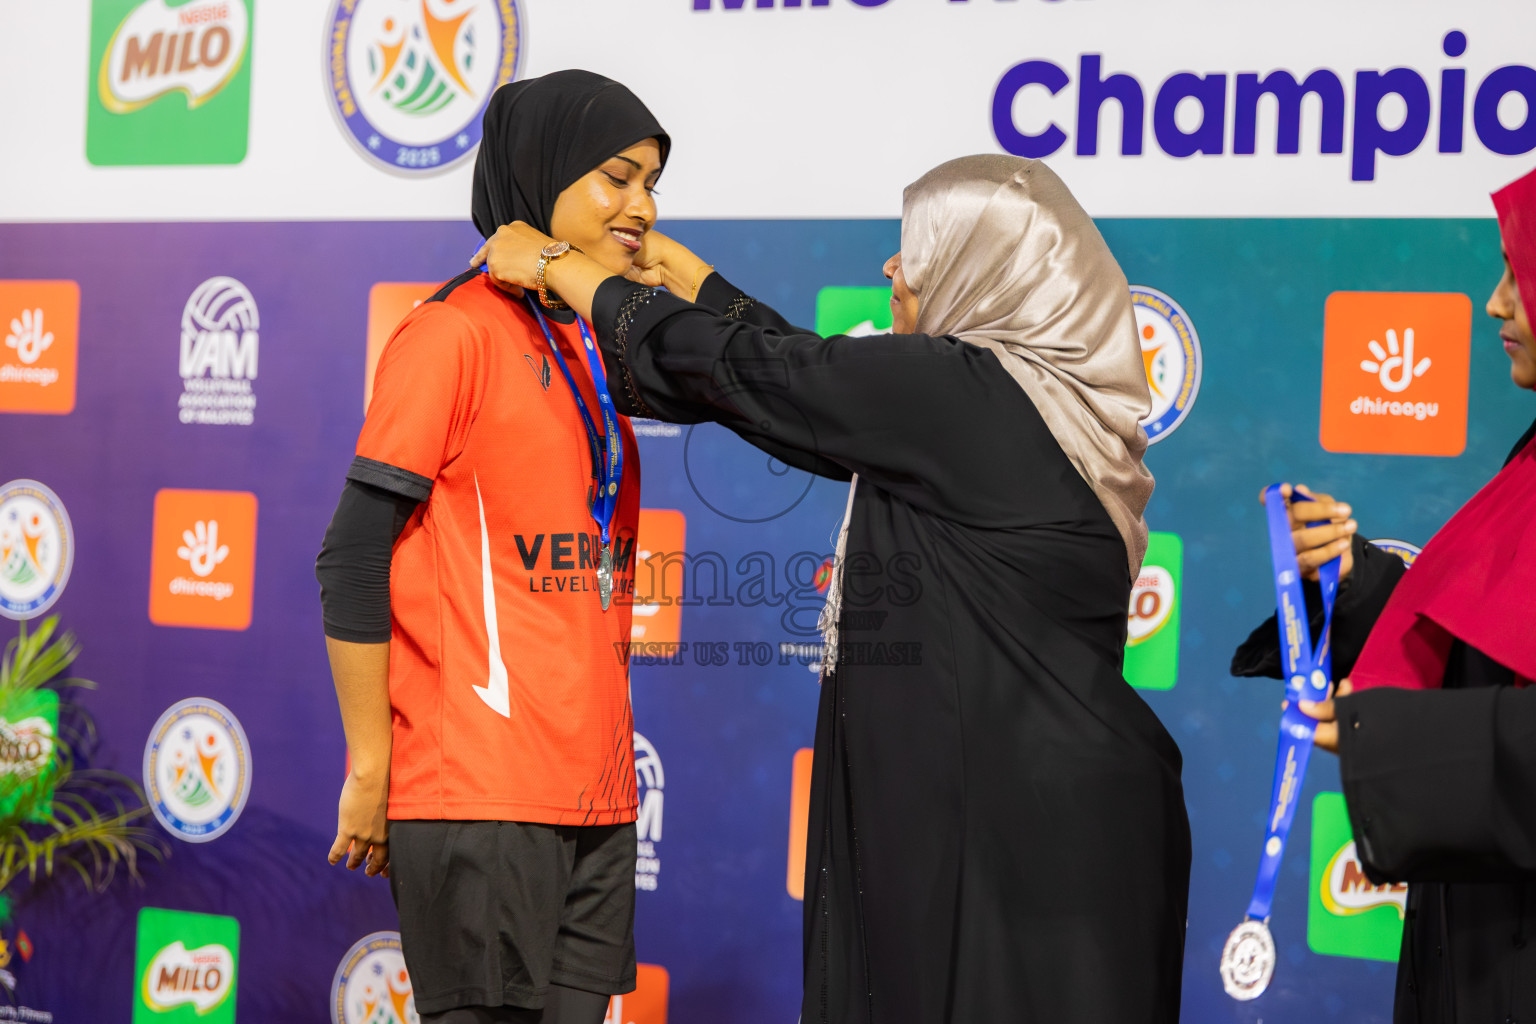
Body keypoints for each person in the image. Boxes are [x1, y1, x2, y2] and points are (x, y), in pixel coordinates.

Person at [475, 154, 1192, 1023]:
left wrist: (559, 268)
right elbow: (818, 402)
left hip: (1012, 841)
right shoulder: (1027, 403)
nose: (893, 269)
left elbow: (778, 382)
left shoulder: (970, 393)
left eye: (918, 251)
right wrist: (704, 287)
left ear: (985, 270)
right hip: (1043, 825)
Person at [314, 70, 669, 1024]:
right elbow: (351, 557)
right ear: (538, 174)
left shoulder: (593, 345)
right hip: (478, 787)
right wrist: (371, 765)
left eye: (653, 184)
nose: (640, 205)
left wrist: (633, 261)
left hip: (595, 792)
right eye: (617, 177)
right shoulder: (451, 334)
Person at [1232, 165, 1536, 1023]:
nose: (1494, 303)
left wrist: (1399, 742)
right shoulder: (1528, 463)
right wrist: (1355, 583)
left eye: (1519, 269)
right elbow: (1490, 651)